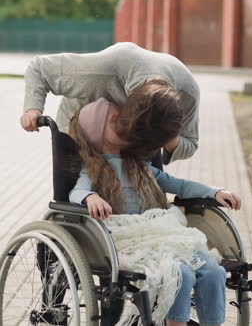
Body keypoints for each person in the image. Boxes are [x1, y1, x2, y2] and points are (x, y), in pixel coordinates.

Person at [67, 89, 241, 326]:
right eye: (116, 121)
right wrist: (90, 197)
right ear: (97, 131)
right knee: (179, 273)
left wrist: (214, 192)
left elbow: (178, 185)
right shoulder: (94, 169)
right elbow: (76, 191)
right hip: (129, 236)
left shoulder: (140, 166)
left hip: (162, 230)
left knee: (213, 271)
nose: (126, 124)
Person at [20, 42, 200, 165]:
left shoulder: (188, 94)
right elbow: (39, 68)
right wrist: (33, 108)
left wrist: (169, 136)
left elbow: (190, 144)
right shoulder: (100, 72)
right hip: (78, 130)